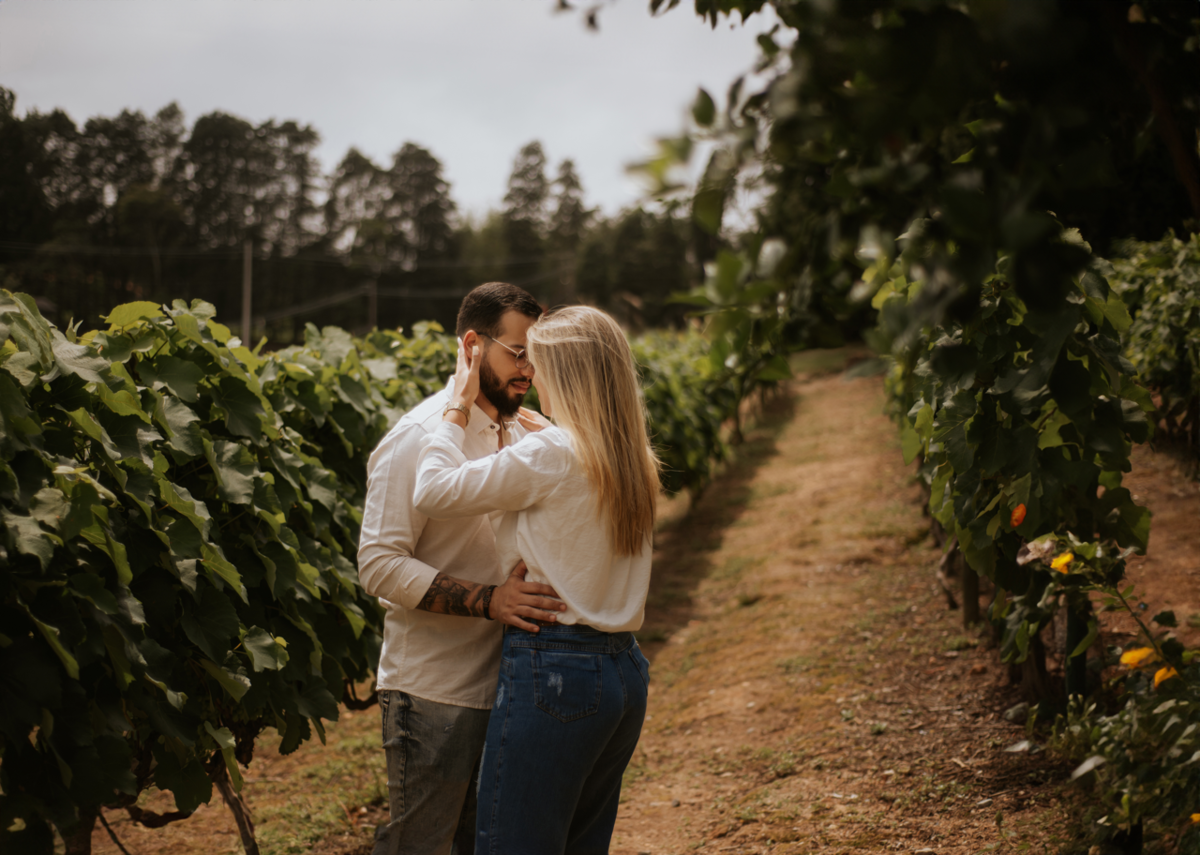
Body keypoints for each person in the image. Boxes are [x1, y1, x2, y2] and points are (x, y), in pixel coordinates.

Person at [414, 305, 659, 855]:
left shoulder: (552, 452)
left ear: (564, 374)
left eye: (539, 363)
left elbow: (431, 491)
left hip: (556, 673)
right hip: (624, 671)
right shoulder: (627, 453)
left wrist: (456, 406)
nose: (531, 376)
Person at [357, 282, 568, 855]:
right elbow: (377, 564)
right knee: (421, 845)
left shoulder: (530, 432)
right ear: (472, 347)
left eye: (537, 355)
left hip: (512, 683)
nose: (528, 370)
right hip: (436, 693)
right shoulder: (417, 439)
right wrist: (489, 600)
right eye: (517, 352)